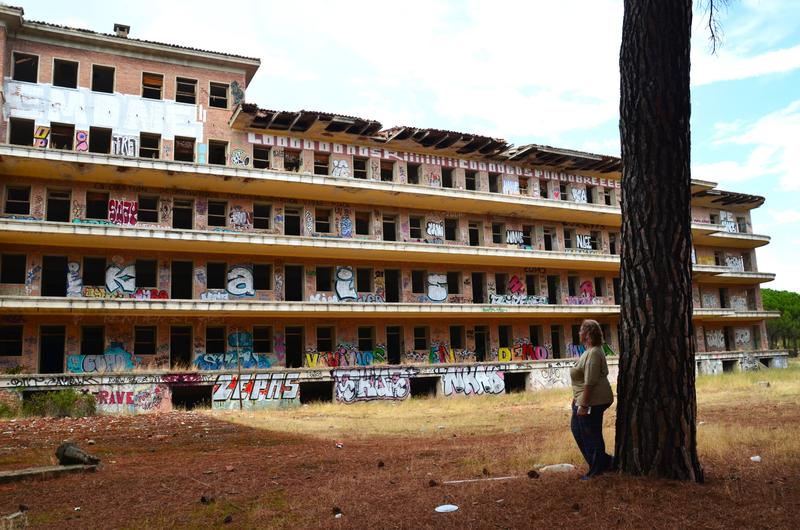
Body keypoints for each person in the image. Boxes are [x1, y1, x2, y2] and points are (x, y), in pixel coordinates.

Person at [570, 319, 615, 479]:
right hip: (583, 399)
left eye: (581, 330)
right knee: (578, 430)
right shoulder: (588, 351)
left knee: (591, 434)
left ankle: (596, 470)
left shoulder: (595, 352)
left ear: (588, 334)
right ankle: (605, 462)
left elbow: (590, 381)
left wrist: (583, 404)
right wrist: (576, 399)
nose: (579, 333)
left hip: (593, 401)